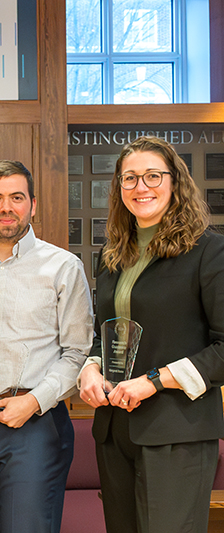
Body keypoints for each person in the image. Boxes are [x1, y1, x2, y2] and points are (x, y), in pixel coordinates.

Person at [78, 136, 224, 533]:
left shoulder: (209, 252)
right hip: (115, 428)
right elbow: (105, 334)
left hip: (176, 431)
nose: (141, 187)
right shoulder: (114, 256)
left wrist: (155, 381)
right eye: (130, 178)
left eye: (153, 176)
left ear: (175, 182)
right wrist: (90, 369)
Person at [0, 160, 94, 533]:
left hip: (37, 422)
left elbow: (77, 352)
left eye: (16, 197)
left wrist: (33, 401)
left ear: (33, 204)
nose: (6, 207)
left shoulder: (63, 267)